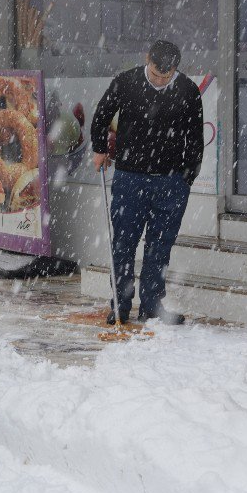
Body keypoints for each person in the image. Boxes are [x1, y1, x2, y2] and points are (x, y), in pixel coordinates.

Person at [91, 40, 204, 325]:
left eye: (166, 76)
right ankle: (120, 304)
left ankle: (152, 305)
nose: (160, 80)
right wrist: (99, 148)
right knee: (124, 244)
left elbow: (195, 139)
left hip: (171, 181)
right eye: (155, 74)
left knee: (160, 246)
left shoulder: (188, 91)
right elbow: (102, 115)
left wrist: (186, 177)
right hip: (130, 178)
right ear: (147, 60)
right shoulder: (126, 82)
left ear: (176, 69)